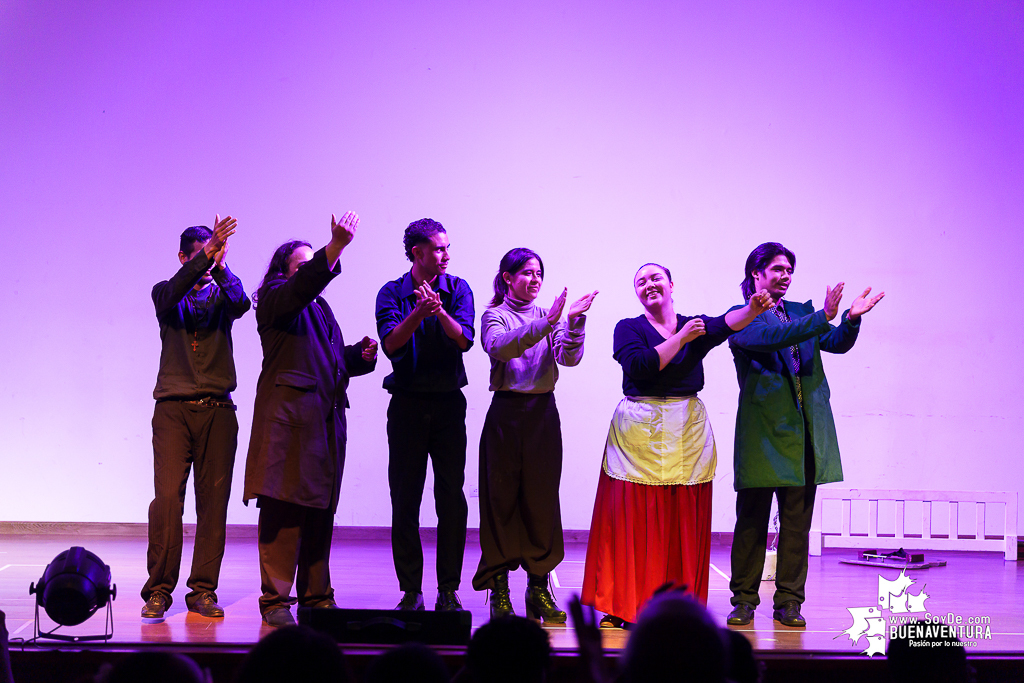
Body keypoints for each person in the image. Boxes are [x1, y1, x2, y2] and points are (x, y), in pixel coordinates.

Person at [581, 263, 772, 627]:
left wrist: (753, 309)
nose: (649, 284)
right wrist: (681, 338)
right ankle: (627, 604)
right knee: (633, 518)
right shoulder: (629, 328)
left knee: (679, 518)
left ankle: (677, 607)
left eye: (655, 278)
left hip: (686, 428)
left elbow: (721, 324)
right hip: (639, 429)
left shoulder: (693, 324)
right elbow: (640, 366)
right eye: (641, 281)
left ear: (671, 284)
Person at [726, 242, 884, 629]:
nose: (785, 276)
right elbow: (770, 339)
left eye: (789, 270)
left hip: (805, 433)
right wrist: (823, 315)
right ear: (756, 275)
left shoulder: (800, 313)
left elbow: (835, 343)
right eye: (777, 269)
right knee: (752, 523)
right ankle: (744, 600)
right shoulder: (743, 316)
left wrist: (849, 319)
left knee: (797, 524)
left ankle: (789, 602)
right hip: (764, 434)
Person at [243, 212, 378, 627]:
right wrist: (334, 247)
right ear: (284, 272)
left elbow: (331, 363)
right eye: (302, 264)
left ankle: (317, 597)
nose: (311, 271)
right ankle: (276, 602)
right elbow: (302, 286)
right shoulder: (275, 298)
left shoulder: (321, 309)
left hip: (323, 423)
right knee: (284, 510)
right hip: (289, 423)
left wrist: (357, 355)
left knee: (320, 510)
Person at [471, 248, 597, 621]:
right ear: (507, 278)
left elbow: (569, 358)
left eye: (539, 273)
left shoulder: (549, 315)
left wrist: (572, 322)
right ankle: (500, 593)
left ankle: (538, 590)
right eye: (526, 272)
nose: (534, 279)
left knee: (541, 503)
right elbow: (501, 346)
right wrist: (550, 322)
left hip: (543, 414)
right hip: (506, 416)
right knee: (500, 502)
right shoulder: (495, 315)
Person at [142, 216, 250, 621]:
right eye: (201, 256)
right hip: (173, 410)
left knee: (213, 504)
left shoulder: (224, 295)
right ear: (184, 256)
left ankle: (202, 590)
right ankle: (158, 590)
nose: (208, 262)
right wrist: (204, 258)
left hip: (219, 411)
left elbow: (241, 302)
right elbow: (170, 293)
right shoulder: (165, 293)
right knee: (168, 500)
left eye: (215, 253)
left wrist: (220, 265)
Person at [375, 218, 475, 612]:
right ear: (417, 253)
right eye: (438, 249)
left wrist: (439, 313)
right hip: (407, 405)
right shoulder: (391, 292)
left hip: (450, 404)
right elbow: (390, 344)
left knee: (451, 498)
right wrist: (418, 313)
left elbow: (465, 339)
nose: (446, 255)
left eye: (447, 248)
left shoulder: (458, 288)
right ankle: (411, 590)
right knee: (405, 498)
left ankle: (448, 589)